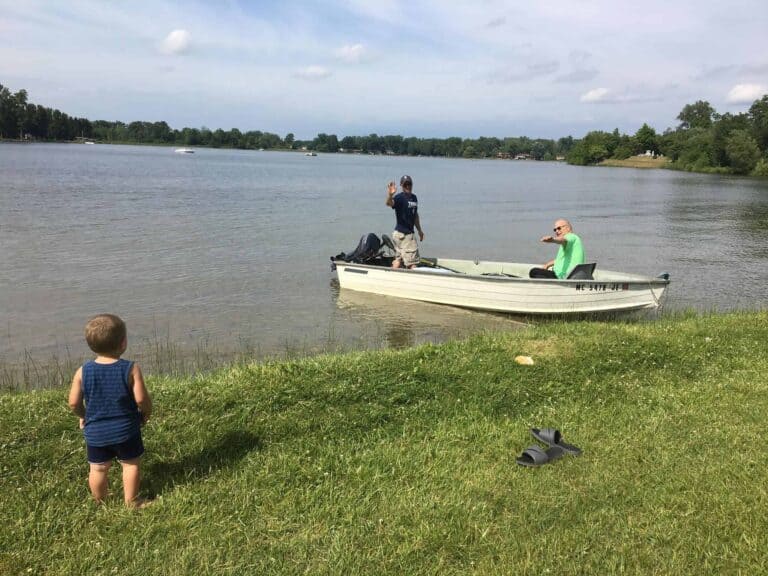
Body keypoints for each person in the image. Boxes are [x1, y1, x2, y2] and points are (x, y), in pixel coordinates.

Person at [68, 314, 152, 507]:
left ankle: (100, 500)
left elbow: (73, 402)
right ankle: (132, 502)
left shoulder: (82, 371)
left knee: (98, 468)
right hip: (126, 430)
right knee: (130, 464)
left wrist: (84, 416)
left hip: (96, 432)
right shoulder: (131, 369)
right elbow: (141, 399)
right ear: (123, 343)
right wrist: (146, 412)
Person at [385, 174, 424, 269]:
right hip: (405, 236)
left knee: (398, 260)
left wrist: (419, 230)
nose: (408, 186)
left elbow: (415, 216)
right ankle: (414, 281)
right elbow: (389, 203)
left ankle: (390, 278)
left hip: (399, 236)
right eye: (405, 185)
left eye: (409, 184)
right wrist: (390, 195)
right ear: (401, 186)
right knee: (413, 263)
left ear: (412, 184)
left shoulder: (414, 198)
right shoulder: (399, 198)